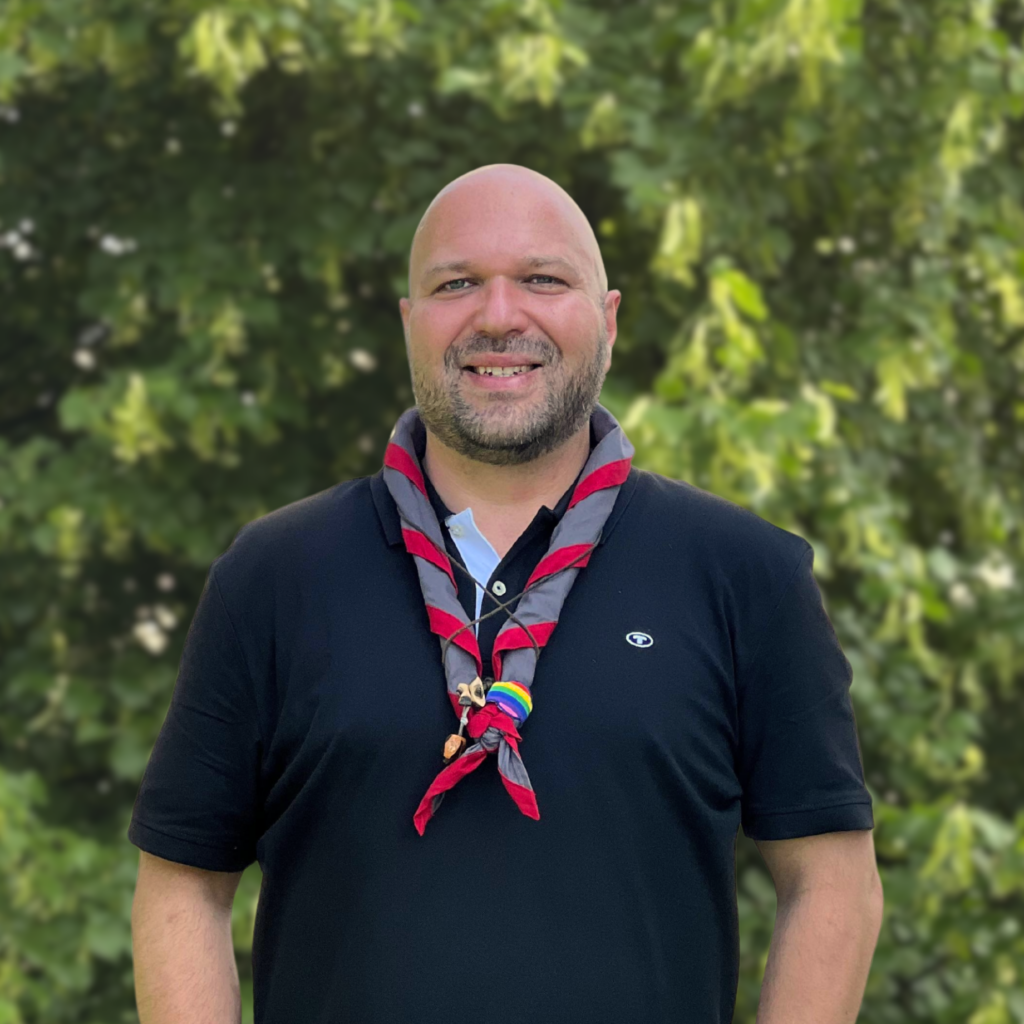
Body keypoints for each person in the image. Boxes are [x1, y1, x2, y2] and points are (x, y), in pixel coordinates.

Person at [128, 163, 883, 1024]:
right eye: (456, 284)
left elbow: (832, 881)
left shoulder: (745, 573)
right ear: (409, 322)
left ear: (608, 320)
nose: (497, 316)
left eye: (542, 280)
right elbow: (182, 885)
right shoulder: (273, 576)